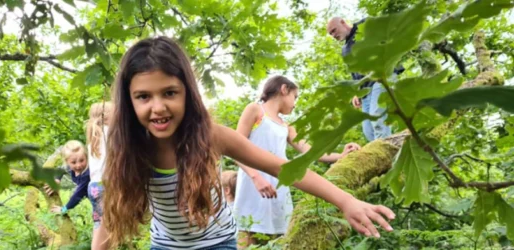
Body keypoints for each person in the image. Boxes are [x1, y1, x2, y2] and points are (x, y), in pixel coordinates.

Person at [94, 36, 395, 250]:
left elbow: (283, 167)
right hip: (165, 245)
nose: (157, 107)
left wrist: (346, 201)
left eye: (169, 92)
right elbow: (112, 213)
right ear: (129, 100)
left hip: (218, 243)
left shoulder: (210, 135)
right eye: (144, 96)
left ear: (187, 92)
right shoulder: (128, 147)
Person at [234, 75, 361, 248]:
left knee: (278, 239)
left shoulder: (286, 125)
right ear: (284, 89)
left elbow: (310, 151)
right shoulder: (255, 110)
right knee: (248, 236)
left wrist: (341, 155)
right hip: (253, 184)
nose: (295, 104)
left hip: (278, 185)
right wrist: (255, 176)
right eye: (295, 97)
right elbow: (234, 147)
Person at [326, 17, 404, 142]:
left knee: (377, 118)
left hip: (382, 77)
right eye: (330, 34)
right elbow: (354, 74)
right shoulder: (345, 49)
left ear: (342, 22)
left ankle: (383, 155)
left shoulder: (364, 25)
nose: (333, 35)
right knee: (367, 130)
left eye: (334, 30)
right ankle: (387, 152)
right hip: (366, 90)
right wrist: (356, 93)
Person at [85, 101, 114, 249]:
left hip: (94, 187)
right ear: (108, 116)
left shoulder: (94, 137)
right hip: (106, 186)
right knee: (108, 228)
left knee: (99, 226)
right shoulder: (110, 132)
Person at [45, 140, 90, 215]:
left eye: (82, 160)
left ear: (86, 157)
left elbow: (78, 195)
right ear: (67, 161)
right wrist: (57, 180)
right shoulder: (68, 167)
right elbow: (60, 169)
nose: (78, 165)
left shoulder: (87, 174)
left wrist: (64, 209)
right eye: (73, 162)